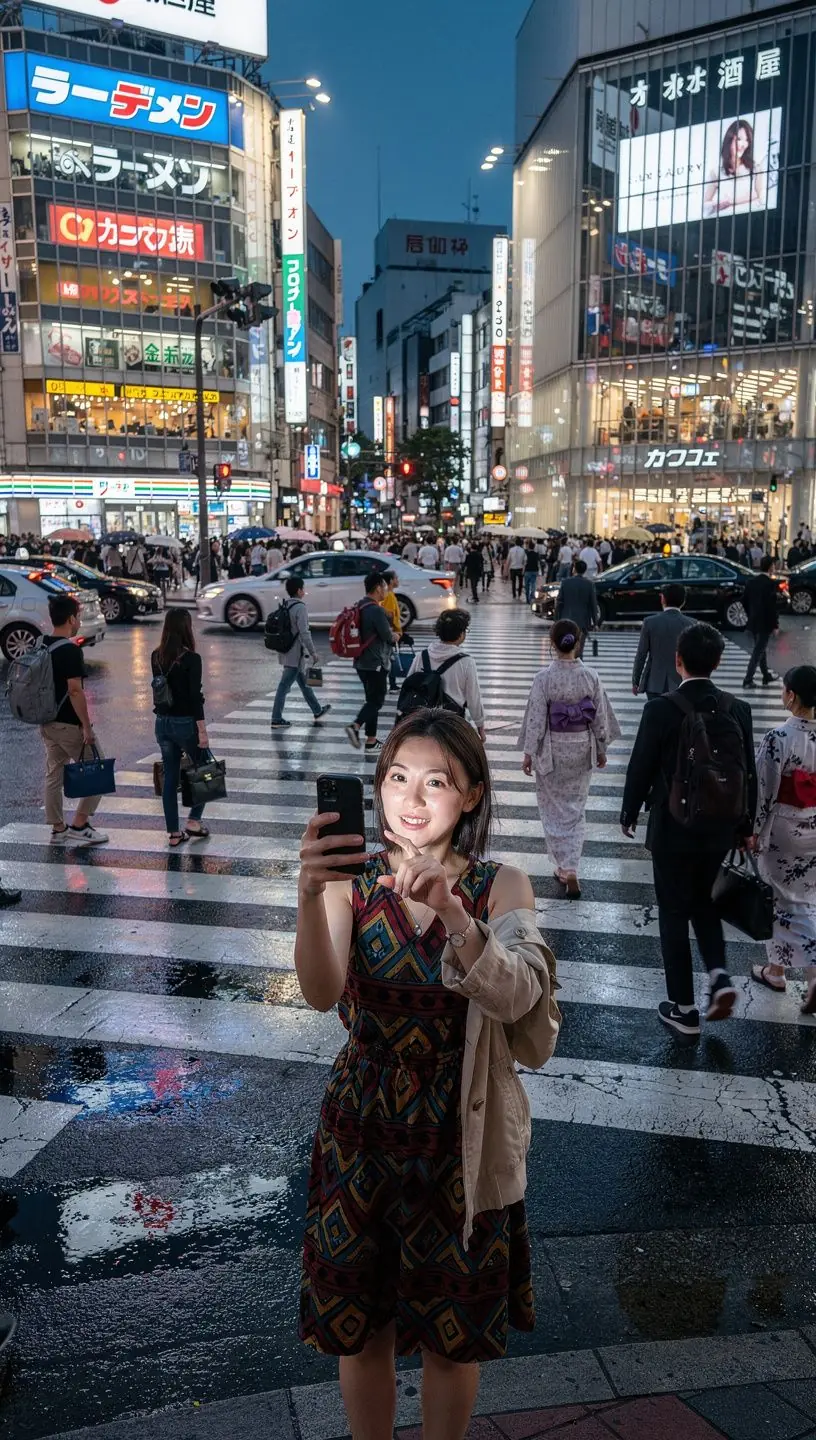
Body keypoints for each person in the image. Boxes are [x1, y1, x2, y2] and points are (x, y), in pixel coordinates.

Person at [296, 709, 561, 1440]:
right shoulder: (353, 885)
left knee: (454, 1330)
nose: (411, 799)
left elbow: (520, 999)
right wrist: (306, 894)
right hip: (362, 1125)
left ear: (472, 794)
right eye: (396, 777)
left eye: (436, 782)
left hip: (460, 1131)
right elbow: (321, 993)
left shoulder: (501, 886)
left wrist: (451, 913)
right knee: (364, 1327)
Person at [621, 623, 756, 1037]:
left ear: (678, 661)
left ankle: (683, 1007)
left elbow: (642, 762)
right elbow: (747, 772)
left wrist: (629, 811)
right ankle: (718, 976)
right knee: (707, 903)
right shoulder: (738, 709)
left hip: (672, 826)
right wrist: (745, 825)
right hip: (720, 827)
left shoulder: (662, 708)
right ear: (717, 662)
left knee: (674, 912)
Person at [519, 620, 621, 898]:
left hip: (552, 749)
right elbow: (600, 719)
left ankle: (563, 866)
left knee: (552, 808)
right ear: (578, 643)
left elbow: (537, 719)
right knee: (575, 809)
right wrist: (601, 749)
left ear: (553, 643)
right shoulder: (590, 676)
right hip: (581, 748)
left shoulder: (544, 678)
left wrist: (529, 752)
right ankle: (571, 866)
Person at [749, 666, 816, 1013]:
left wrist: (754, 832)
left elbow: (764, 792)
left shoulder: (779, 738)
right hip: (814, 830)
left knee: (787, 902)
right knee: (798, 898)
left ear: (791, 695)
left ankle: (814, 972)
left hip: (784, 831)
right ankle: (775, 970)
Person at [40, 594, 109, 849]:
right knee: (98, 771)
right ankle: (79, 825)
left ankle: (58, 829)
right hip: (68, 723)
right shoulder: (70, 650)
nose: (79, 620)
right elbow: (75, 690)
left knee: (53, 774)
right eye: (78, 616)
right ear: (71, 618)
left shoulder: (43, 644)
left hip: (47, 721)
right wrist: (87, 727)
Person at [151, 610, 211, 849]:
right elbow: (194, 698)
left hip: (162, 724)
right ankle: (194, 820)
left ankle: (174, 833)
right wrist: (202, 731)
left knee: (170, 779)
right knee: (206, 769)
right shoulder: (191, 659)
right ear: (186, 628)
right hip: (185, 724)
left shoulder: (156, 656)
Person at [406, 609, 486, 739]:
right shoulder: (466, 662)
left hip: (423, 725)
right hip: (452, 725)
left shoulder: (421, 656)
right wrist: (480, 726)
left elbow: (408, 688)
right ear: (460, 634)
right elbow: (473, 698)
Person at [270, 577, 332, 729]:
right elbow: (305, 633)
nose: (304, 591)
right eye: (303, 589)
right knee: (284, 686)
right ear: (299, 590)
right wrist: (313, 652)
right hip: (295, 654)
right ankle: (276, 718)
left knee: (304, 684)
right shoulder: (300, 608)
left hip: (287, 651)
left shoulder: (286, 605)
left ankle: (317, 710)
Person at [346, 572, 394, 755]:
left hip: (361, 663)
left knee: (371, 701)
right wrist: (395, 635)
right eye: (384, 587)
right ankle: (355, 725)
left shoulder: (360, 605)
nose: (386, 591)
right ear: (377, 588)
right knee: (376, 701)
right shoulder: (376, 609)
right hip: (375, 663)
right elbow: (387, 636)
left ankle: (371, 741)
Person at [632, 585, 694, 699]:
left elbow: (641, 654)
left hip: (654, 682)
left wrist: (635, 681)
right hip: (681, 682)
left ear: (663, 599)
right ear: (683, 601)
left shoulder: (650, 622)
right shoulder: (691, 624)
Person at [704, 118, 765, 217]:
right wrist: (720, 203)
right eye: (739, 139)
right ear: (729, 139)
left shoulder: (756, 168)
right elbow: (705, 206)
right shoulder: (716, 173)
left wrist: (731, 201)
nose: (743, 145)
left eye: (747, 140)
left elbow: (761, 197)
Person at [742, 556, 779, 689]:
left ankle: (766, 675)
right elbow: (771, 607)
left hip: (753, 621)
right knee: (758, 651)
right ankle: (748, 679)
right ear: (770, 567)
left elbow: (744, 600)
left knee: (760, 649)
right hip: (765, 622)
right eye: (774, 565)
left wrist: (750, 614)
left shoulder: (751, 582)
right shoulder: (770, 584)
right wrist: (775, 625)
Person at [554, 559, 599, 655]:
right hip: (583, 622)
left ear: (574, 569)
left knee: (566, 649)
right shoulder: (589, 584)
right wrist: (595, 622)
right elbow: (593, 605)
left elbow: (559, 602)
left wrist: (556, 619)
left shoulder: (565, 582)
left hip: (566, 620)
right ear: (585, 570)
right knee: (579, 649)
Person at [379, 569, 403, 693]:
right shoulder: (388, 596)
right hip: (390, 634)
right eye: (396, 578)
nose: (397, 580)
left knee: (389, 658)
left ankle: (391, 684)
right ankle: (390, 685)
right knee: (389, 658)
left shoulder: (390, 595)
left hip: (393, 632)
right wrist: (392, 632)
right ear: (390, 581)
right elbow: (388, 615)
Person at [523, 540, 540, 605]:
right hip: (535, 571)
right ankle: (532, 597)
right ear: (534, 547)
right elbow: (538, 563)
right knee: (533, 584)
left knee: (527, 586)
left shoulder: (526, 553)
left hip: (527, 571)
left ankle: (527, 599)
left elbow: (525, 563)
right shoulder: (536, 554)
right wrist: (538, 571)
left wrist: (523, 570)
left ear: (529, 547)